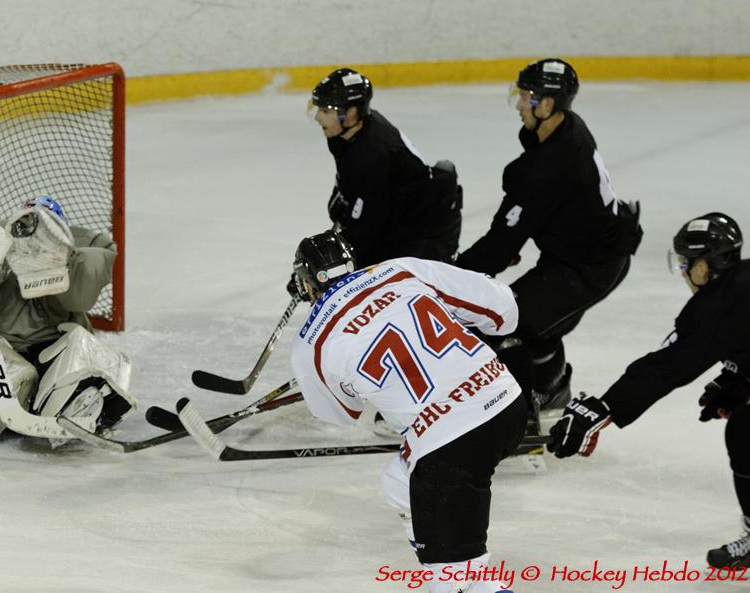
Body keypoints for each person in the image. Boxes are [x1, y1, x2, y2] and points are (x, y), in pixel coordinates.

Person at [288, 230, 526, 593]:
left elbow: (341, 414)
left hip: (449, 447)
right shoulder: (401, 270)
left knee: (456, 587)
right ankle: (450, 554)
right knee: (398, 482)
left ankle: (458, 571)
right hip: (507, 402)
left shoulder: (310, 346)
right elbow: (503, 309)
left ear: (305, 284)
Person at [548, 212, 749, 569]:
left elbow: (667, 365)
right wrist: (740, 379)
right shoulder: (741, 285)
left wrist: (604, 407)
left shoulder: (714, 306)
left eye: (687, 262)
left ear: (705, 266)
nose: (685, 272)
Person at [455, 58, 642, 420]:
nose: (520, 104)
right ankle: (552, 389)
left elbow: (501, 243)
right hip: (577, 256)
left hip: (589, 268)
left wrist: (456, 278)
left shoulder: (546, 166)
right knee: (534, 321)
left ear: (549, 104)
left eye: (527, 97)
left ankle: (518, 418)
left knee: (507, 324)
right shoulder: (568, 129)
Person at [0, 195, 137, 456]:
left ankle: (79, 400)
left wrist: (63, 259)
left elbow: (81, 291)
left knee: (81, 345)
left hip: (55, 353)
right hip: (2, 355)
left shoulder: (85, 248)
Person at [310, 68, 463, 267]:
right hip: (400, 220)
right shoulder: (348, 133)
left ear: (351, 112)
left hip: (427, 232)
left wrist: (332, 262)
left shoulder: (373, 154)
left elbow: (366, 231)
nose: (318, 117)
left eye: (326, 110)